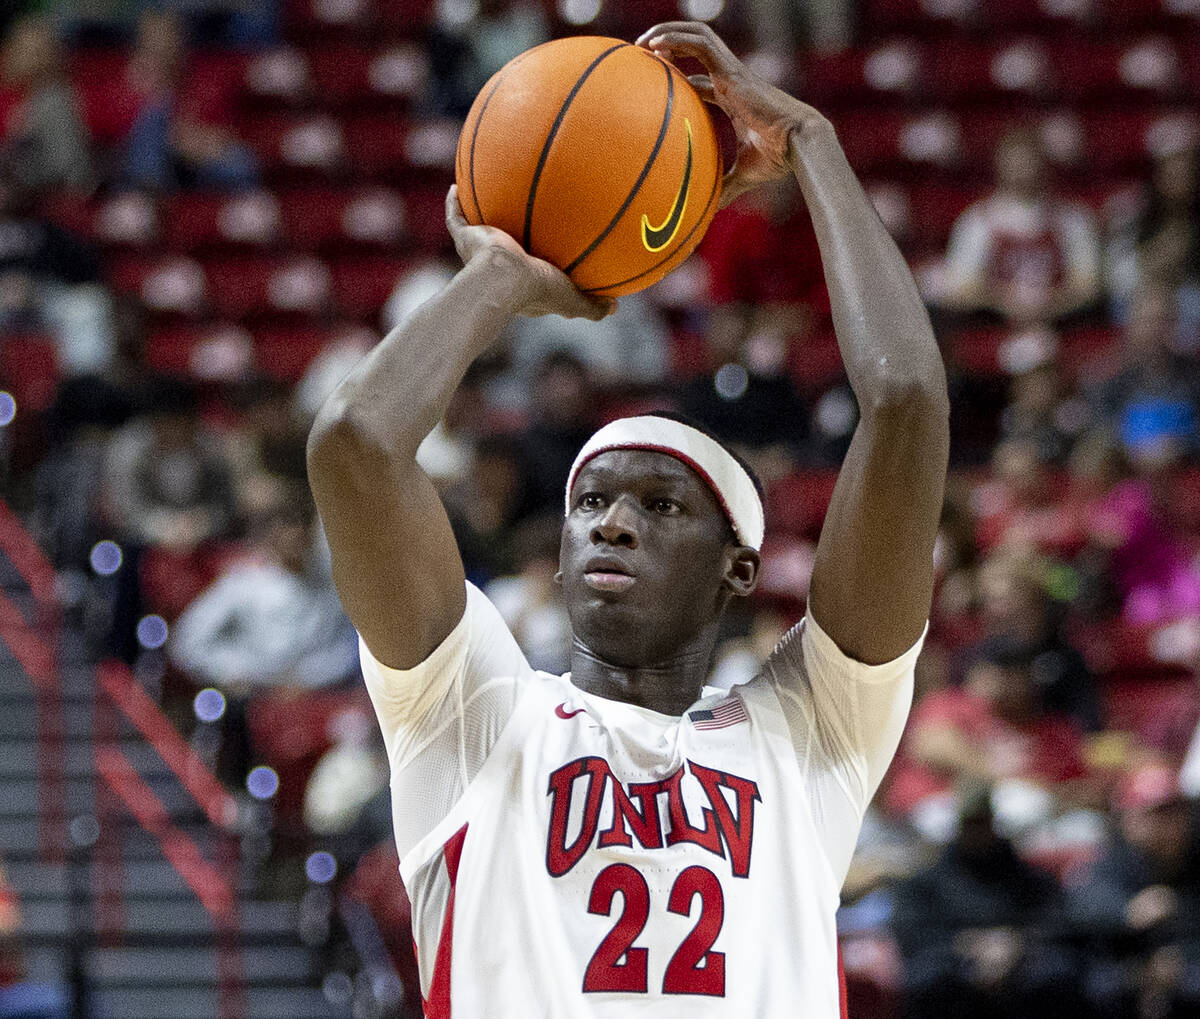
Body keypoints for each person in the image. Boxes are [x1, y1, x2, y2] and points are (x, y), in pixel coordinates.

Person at [307, 21, 949, 1015]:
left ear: (738, 568)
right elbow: (353, 443)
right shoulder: (477, 714)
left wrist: (811, 141)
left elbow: (907, 401)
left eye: (659, 505)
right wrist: (498, 279)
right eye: (591, 505)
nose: (609, 524)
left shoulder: (805, 733)